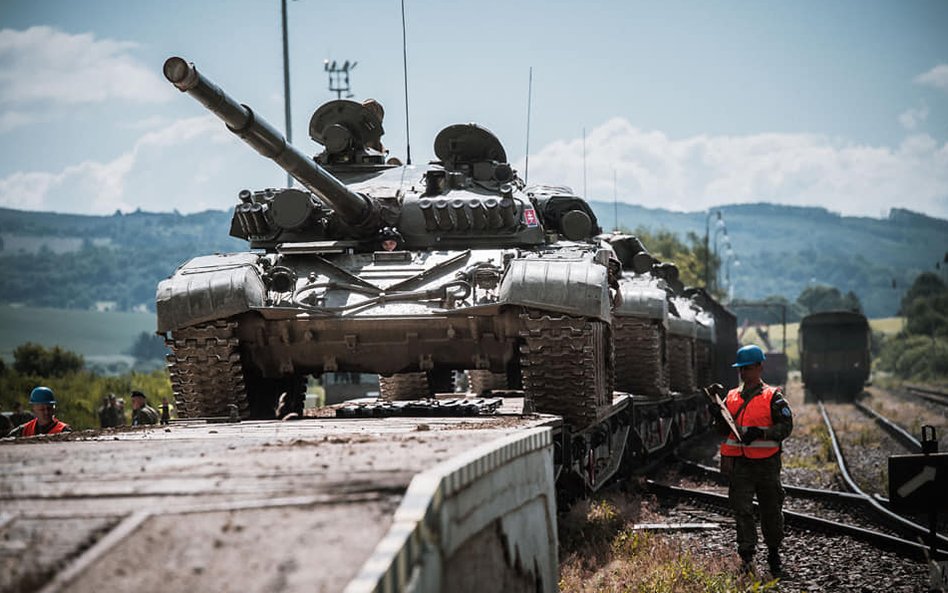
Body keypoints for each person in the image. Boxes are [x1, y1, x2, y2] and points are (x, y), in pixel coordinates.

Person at [714, 344, 793, 578]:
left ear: (759, 367)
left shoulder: (773, 396)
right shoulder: (731, 397)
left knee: (771, 510)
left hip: (767, 464)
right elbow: (723, 430)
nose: (743, 373)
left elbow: (786, 427)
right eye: (740, 369)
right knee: (742, 510)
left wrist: (762, 433)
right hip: (741, 464)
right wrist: (716, 415)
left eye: (747, 368)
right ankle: (747, 557)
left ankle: (774, 554)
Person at [7, 386, 71, 437]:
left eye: (49, 408)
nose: (46, 412)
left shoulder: (64, 430)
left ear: (53, 408)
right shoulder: (24, 430)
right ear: (33, 409)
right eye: (42, 409)